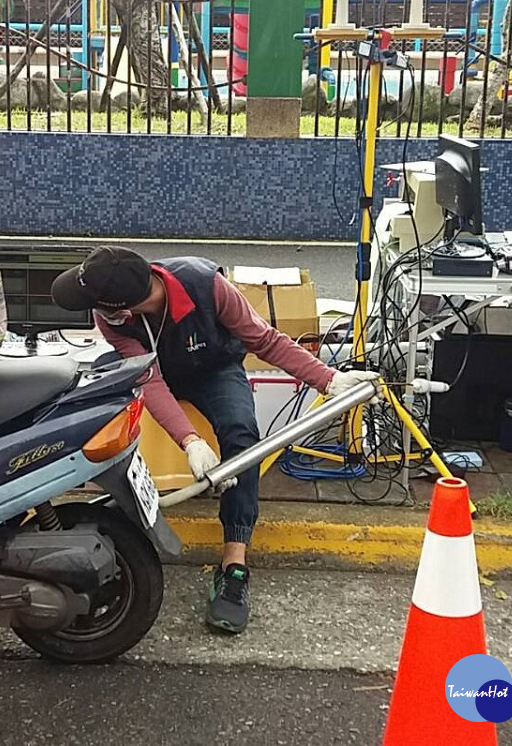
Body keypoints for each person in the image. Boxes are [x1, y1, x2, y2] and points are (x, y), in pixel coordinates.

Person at [52, 247, 377, 633]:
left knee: (242, 433)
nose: (94, 312)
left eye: (97, 305)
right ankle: (117, 521)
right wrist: (189, 440)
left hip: (214, 370)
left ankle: (234, 565)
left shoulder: (207, 285)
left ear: (123, 305)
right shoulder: (111, 320)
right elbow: (150, 382)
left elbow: (266, 340)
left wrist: (327, 379)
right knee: (108, 417)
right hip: (153, 373)